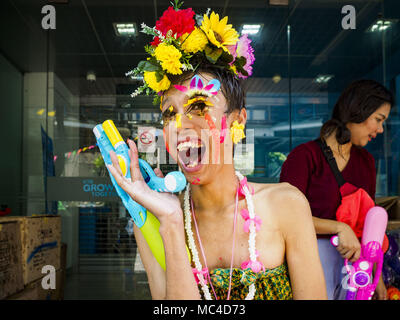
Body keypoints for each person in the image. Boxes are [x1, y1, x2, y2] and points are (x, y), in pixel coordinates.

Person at [107, 3, 327, 300]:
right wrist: (171, 223)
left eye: (198, 107)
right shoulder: (153, 221)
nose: (180, 125)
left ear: (238, 121)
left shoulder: (287, 205)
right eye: (169, 114)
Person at [280, 79, 394, 300]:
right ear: (359, 110)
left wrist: (375, 278)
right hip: (308, 265)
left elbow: (367, 225)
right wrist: (340, 228)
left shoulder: (366, 162)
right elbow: (287, 217)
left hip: (355, 273)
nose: (380, 130)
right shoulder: (304, 157)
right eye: (378, 120)